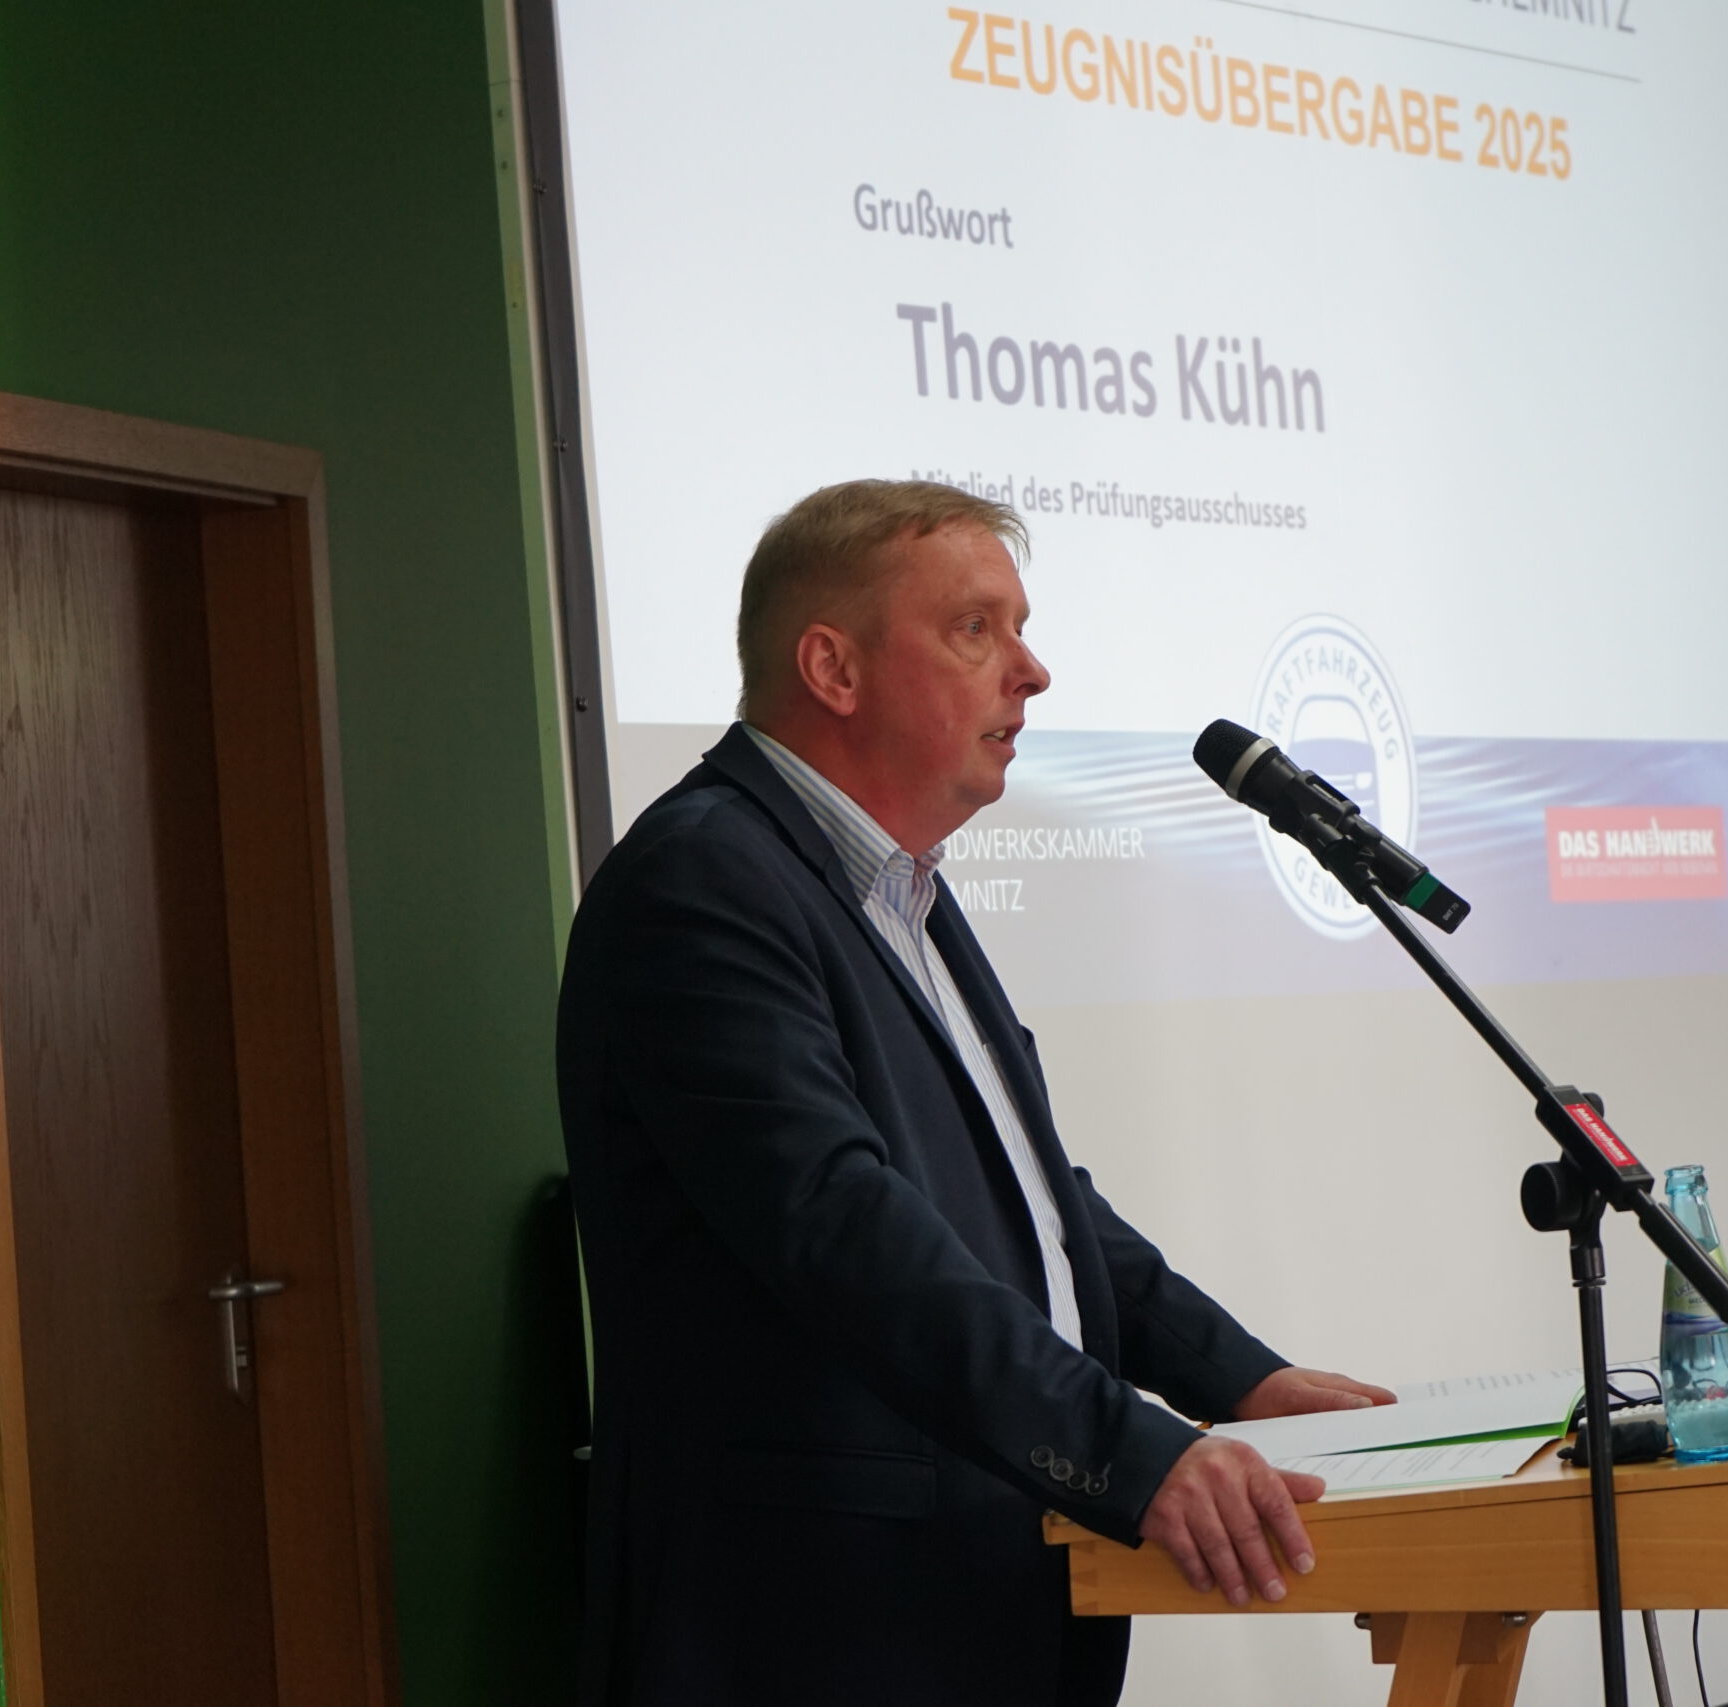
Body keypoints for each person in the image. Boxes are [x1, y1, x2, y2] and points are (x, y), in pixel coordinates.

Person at [556, 480, 1394, 1706]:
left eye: (1020, 628)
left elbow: (1034, 1202)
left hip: (965, 1593)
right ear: (832, 669)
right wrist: (1132, 1452)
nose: (1031, 671)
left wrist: (1237, 1381)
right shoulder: (703, 885)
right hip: (812, 1625)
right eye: (975, 628)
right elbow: (844, 1232)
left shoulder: (902, 891)